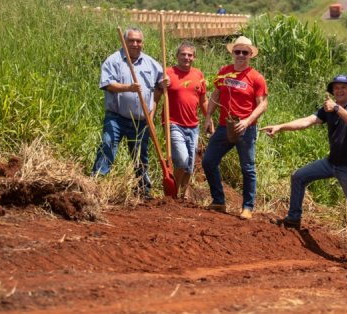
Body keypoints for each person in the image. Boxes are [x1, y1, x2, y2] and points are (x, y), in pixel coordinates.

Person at [260, 74, 347, 265]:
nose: (340, 90)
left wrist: (336, 109)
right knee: (299, 177)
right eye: (336, 88)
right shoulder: (328, 109)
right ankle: (294, 218)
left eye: (343, 87)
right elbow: (307, 121)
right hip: (331, 162)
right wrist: (280, 127)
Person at [91, 27, 165, 199]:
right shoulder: (113, 60)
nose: (135, 44)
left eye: (138, 41)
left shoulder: (151, 63)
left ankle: (143, 190)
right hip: (116, 117)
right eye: (131, 40)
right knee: (107, 145)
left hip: (141, 120)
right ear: (124, 41)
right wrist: (129, 88)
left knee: (141, 155)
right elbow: (108, 84)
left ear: (142, 43)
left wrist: (152, 108)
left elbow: (160, 87)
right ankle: (95, 184)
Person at [202, 36, 268, 220]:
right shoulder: (224, 72)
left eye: (244, 52)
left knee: (247, 168)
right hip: (224, 125)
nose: (240, 55)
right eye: (237, 51)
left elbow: (262, 104)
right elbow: (215, 93)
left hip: (245, 129)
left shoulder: (256, 77)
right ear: (232, 53)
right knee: (208, 161)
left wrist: (247, 121)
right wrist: (208, 117)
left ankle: (247, 207)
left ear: (250, 55)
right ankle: (218, 201)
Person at [161, 41, 209, 199]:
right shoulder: (167, 73)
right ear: (177, 56)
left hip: (193, 125)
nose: (186, 57)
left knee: (189, 164)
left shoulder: (198, 75)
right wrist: (161, 85)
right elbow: (156, 94)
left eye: (189, 55)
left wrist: (209, 119)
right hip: (173, 123)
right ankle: (173, 191)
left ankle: (184, 190)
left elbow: (203, 100)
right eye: (183, 54)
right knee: (181, 159)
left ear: (194, 57)